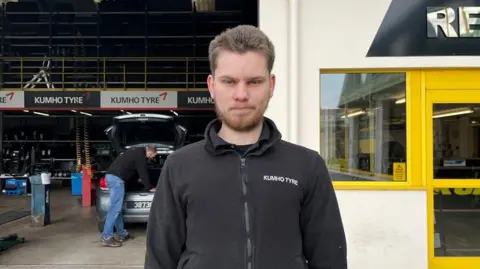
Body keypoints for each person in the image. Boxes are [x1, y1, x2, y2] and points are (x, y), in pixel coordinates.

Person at [145, 25, 348, 268]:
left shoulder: (307, 165)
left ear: (271, 85)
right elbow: (159, 259)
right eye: (229, 81)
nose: (241, 94)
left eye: (254, 82)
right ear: (211, 85)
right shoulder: (179, 166)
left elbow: (329, 257)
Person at [100, 145, 157, 247]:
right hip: (116, 180)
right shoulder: (141, 156)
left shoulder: (135, 152)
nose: (151, 158)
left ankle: (122, 233)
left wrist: (138, 181)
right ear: (150, 152)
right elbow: (143, 173)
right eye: (152, 156)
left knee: (118, 209)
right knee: (115, 209)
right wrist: (149, 187)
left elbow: (132, 169)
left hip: (112, 177)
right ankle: (106, 237)